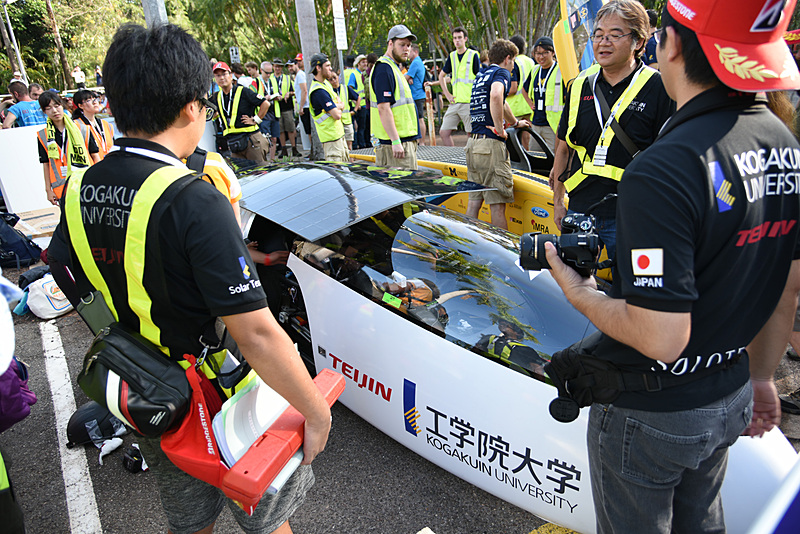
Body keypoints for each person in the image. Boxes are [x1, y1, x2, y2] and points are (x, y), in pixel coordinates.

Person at [60, 23, 331, 534]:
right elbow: (256, 333)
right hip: (219, 388)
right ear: (191, 106)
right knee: (268, 517)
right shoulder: (192, 195)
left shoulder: (79, 186)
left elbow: (67, 273)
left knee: (189, 521)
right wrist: (315, 411)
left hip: (145, 388)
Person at [544, 0, 800, 531]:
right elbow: (785, 291)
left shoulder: (662, 170)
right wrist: (760, 377)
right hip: (728, 392)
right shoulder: (784, 143)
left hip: (655, 410)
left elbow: (660, 337)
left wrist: (580, 292)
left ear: (668, 45)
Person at [549, 0, 674, 261]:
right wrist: (558, 203)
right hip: (581, 209)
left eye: (615, 35)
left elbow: (671, 160)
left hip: (634, 214)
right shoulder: (580, 85)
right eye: (598, 35)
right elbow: (564, 147)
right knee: (573, 288)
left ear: (638, 42)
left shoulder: (659, 87)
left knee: (632, 293)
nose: (603, 42)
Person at [465, 39, 530, 230]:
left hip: (473, 145)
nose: (513, 66)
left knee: (473, 204)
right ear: (507, 58)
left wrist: (515, 123)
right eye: (514, 61)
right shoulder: (501, 72)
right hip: (491, 147)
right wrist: (499, 129)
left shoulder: (481, 75)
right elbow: (496, 95)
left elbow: (501, 102)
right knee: (497, 207)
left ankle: (467, 246)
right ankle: (501, 255)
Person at [370, 24, 420, 170]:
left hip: (400, 143)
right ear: (390, 43)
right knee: (404, 189)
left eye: (409, 45)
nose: (406, 49)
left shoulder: (393, 67)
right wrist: (396, 141)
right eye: (402, 45)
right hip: (395, 145)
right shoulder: (384, 68)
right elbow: (383, 108)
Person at [37, 91, 99, 205]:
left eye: (57, 106)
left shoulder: (82, 129)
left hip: (86, 184)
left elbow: (95, 156)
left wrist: (100, 179)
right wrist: (48, 190)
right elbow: (46, 164)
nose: (54, 111)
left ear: (62, 105)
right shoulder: (43, 135)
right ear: (44, 111)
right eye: (49, 108)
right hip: (62, 189)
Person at [212, 60, 271, 163]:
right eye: (218, 75)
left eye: (224, 74)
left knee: (260, 173)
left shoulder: (243, 91)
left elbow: (265, 104)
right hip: (234, 144)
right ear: (214, 78)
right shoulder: (216, 97)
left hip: (251, 140)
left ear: (231, 75)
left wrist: (256, 119)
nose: (221, 78)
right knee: (243, 177)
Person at [438, 27, 480, 146]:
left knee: (470, 134)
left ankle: (470, 159)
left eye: (460, 38)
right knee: (443, 132)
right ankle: (453, 158)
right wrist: (447, 94)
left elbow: (479, 78)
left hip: (469, 102)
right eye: (455, 38)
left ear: (465, 39)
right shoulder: (452, 56)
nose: (457, 41)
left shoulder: (473, 55)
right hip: (455, 102)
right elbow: (441, 76)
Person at [525, 36, 565, 152]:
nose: (540, 57)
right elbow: (524, 89)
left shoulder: (560, 70)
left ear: (553, 53)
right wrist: (530, 103)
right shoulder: (535, 70)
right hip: (536, 123)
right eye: (537, 53)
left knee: (555, 158)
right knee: (535, 156)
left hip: (553, 125)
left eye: (545, 53)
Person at [308, 54, 348, 162]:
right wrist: (338, 106)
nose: (331, 68)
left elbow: (341, 103)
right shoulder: (318, 91)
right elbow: (337, 115)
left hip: (339, 137)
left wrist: (337, 106)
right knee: (338, 175)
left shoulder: (325, 83)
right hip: (331, 141)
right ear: (318, 68)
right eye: (327, 65)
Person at [507, 35, 535, 150]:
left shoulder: (514, 62)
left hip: (515, 107)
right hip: (528, 105)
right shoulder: (531, 62)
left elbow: (513, 89)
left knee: (514, 143)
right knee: (527, 140)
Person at [72, 89, 114, 159]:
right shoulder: (77, 125)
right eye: (89, 100)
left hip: (110, 164)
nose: (95, 102)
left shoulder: (106, 124)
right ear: (80, 106)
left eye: (95, 99)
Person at [272, 59, 300, 158]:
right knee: (281, 130)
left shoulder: (287, 78)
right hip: (276, 107)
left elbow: (295, 91)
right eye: (276, 66)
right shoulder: (270, 79)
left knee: (291, 128)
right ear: (273, 67)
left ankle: (294, 148)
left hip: (287, 106)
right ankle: (283, 149)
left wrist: (289, 93)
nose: (278, 68)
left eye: (279, 66)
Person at [330, 69, 360, 152]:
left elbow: (358, 98)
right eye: (330, 79)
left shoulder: (345, 88)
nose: (333, 80)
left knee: (349, 146)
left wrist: (355, 110)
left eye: (334, 78)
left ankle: (351, 161)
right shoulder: (329, 91)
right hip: (336, 122)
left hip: (347, 121)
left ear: (338, 78)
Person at [405, 44, 427, 145]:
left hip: (417, 95)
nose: (408, 54)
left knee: (420, 118)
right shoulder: (418, 62)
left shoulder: (415, 63)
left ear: (415, 52)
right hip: (417, 94)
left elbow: (407, 76)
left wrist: (407, 77)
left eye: (410, 51)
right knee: (418, 118)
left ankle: (421, 142)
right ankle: (420, 141)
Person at [259, 61, 281, 161]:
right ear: (261, 71)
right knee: (264, 139)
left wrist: (277, 97)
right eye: (266, 73)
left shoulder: (273, 81)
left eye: (270, 73)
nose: (268, 75)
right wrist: (264, 98)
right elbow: (253, 97)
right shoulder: (256, 82)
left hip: (274, 112)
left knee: (274, 138)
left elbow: (279, 93)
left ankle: (272, 160)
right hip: (263, 114)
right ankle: (264, 159)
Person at [346, 54, 368, 149]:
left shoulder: (364, 74)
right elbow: (350, 89)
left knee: (366, 127)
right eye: (363, 62)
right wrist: (356, 103)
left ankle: (366, 143)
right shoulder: (354, 74)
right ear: (358, 64)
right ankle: (360, 145)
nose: (365, 64)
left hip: (366, 105)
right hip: (359, 105)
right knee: (360, 128)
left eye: (366, 62)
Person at [290, 54, 311, 144]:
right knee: (307, 130)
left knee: (309, 130)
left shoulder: (300, 75)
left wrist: (301, 107)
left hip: (306, 106)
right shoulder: (299, 74)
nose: (298, 63)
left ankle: (313, 150)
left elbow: (304, 90)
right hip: (304, 105)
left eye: (299, 61)